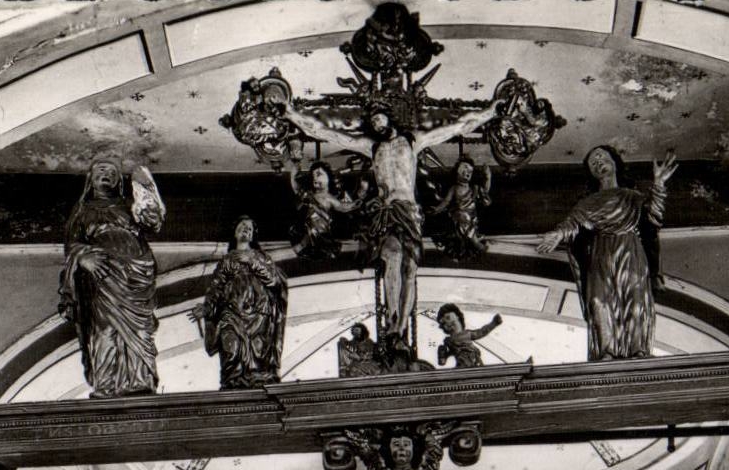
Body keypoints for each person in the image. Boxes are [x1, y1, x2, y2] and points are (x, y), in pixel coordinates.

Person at [283, 98, 505, 337]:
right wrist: (291, 113)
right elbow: (325, 131)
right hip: (387, 211)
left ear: (390, 117)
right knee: (392, 257)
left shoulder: (412, 141)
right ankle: (392, 317)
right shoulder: (371, 147)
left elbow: (459, 126)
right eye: (373, 121)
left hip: (409, 211)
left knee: (409, 269)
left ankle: (402, 327)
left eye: (380, 118)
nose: (377, 124)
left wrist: (490, 113)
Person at [537, 145, 677, 360]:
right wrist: (557, 235)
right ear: (591, 173)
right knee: (598, 301)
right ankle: (606, 352)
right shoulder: (587, 203)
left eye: (602, 157)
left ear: (614, 163)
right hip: (600, 251)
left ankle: (638, 350)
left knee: (636, 298)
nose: (598, 162)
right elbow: (572, 223)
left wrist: (658, 184)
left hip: (630, 248)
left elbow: (654, 216)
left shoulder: (632, 197)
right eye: (593, 162)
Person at [59, 156, 165, 397]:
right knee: (104, 328)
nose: (106, 174)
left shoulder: (128, 205)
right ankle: (106, 382)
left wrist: (147, 193)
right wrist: (84, 257)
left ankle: (140, 380)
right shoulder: (83, 210)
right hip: (103, 276)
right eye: (101, 170)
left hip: (136, 273)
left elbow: (151, 223)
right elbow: (71, 245)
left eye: (112, 172)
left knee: (141, 330)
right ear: (91, 179)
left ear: (118, 180)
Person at [202, 216, 287, 388]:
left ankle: (256, 377)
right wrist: (206, 307)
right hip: (231, 312)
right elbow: (216, 286)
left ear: (253, 235)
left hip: (259, 314)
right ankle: (233, 379)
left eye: (249, 228)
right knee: (231, 348)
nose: (246, 229)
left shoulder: (261, 257)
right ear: (234, 232)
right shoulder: (227, 260)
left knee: (258, 349)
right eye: (242, 226)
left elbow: (274, 281)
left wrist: (253, 263)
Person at [435, 303, 503, 368]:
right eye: (443, 323)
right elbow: (442, 362)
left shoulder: (467, 334)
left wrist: (494, 323)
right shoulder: (449, 341)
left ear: (457, 317)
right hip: (463, 366)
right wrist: (442, 355)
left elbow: (482, 332)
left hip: (476, 363)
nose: (448, 323)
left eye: (448, 317)